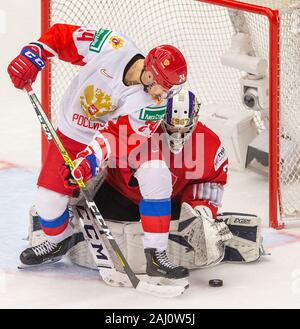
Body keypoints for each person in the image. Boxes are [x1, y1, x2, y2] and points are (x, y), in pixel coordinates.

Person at [7, 24, 187, 278]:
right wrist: (35, 51)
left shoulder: (153, 105)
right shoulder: (112, 46)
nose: (164, 95)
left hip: (125, 145)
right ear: (149, 72)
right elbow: (61, 36)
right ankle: (60, 239)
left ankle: (156, 255)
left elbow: (119, 139)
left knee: (157, 175)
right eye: (163, 86)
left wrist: (89, 160)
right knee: (48, 201)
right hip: (75, 134)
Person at [72, 88, 231, 275]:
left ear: (195, 120)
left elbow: (212, 182)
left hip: (171, 204)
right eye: (171, 127)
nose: (177, 134)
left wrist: (201, 212)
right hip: (120, 194)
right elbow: (108, 147)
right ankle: (58, 229)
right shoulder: (141, 127)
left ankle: (159, 254)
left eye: (183, 128)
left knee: (185, 227)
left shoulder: (210, 143)